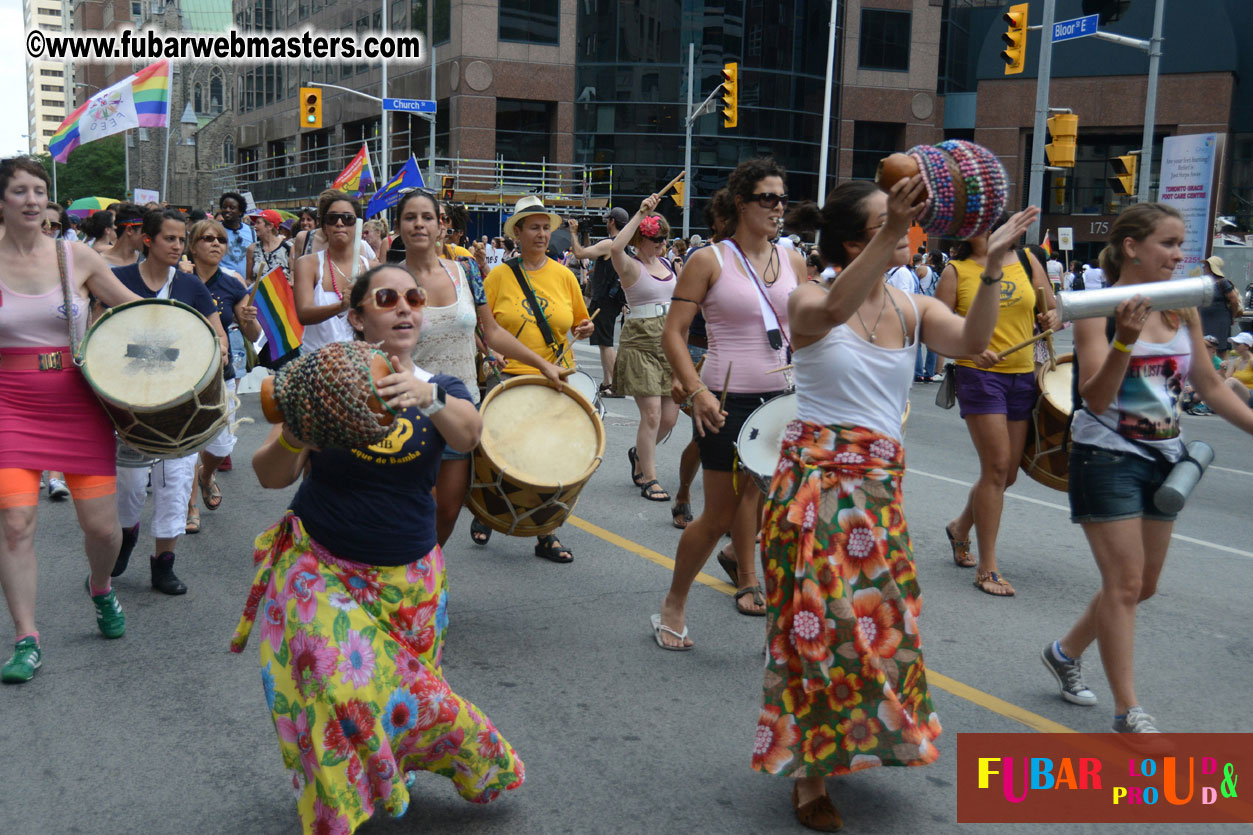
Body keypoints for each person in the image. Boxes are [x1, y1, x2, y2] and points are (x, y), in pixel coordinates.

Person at [754, 176, 1031, 831]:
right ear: (859, 238)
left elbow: (968, 341)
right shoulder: (809, 298)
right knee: (813, 636)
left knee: (879, 633)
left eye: (910, 220)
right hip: (811, 496)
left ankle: (850, 740)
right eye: (895, 219)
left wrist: (991, 267)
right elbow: (824, 317)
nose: (914, 227)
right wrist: (885, 236)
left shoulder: (910, 309)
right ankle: (808, 775)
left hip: (878, 496)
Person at [234, 264, 524, 832]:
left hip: (410, 575)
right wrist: (298, 434)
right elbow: (269, 475)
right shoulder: (320, 376)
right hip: (321, 566)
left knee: (406, 701)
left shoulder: (444, 386)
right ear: (358, 316)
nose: (404, 307)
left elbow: (469, 435)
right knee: (335, 684)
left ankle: (414, 767)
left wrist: (428, 394)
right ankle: (337, 813)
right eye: (386, 298)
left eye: (413, 298)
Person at [1042, 203, 1253, 734]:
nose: (1180, 254)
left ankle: (1065, 652)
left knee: (1143, 585)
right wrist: (1124, 341)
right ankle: (1128, 709)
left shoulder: (1183, 307)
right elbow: (1093, 396)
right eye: (1168, 243)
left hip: (1166, 457)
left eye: (1181, 243)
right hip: (1106, 456)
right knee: (1124, 581)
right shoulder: (1097, 308)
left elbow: (1208, 387)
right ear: (1132, 247)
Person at [0, 157, 142, 682]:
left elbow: (131, 309)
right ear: (2, 201)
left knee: (102, 530)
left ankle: (101, 588)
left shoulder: (74, 257)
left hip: (79, 403)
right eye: (20, 191)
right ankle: (25, 638)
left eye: (39, 190)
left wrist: (189, 339)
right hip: (8, 404)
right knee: (15, 523)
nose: (33, 199)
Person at [654, 157, 800, 641]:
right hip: (725, 400)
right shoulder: (709, 260)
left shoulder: (794, 260)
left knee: (776, 510)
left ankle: (757, 582)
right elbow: (672, 333)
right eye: (768, 199)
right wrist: (695, 391)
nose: (778, 208)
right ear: (742, 203)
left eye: (782, 198)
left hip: (784, 402)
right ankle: (674, 603)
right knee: (717, 514)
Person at [394, 189, 565, 547]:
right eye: (411, 217)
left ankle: (424, 579)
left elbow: (493, 331)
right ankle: (404, 579)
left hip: (462, 407)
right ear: (400, 226)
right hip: (408, 411)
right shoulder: (388, 281)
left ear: (443, 226)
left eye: (428, 217)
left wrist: (542, 365)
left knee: (448, 512)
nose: (420, 224)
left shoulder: (467, 270)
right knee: (413, 507)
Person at [935, 217, 1059, 597]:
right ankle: (987, 568)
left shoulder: (1026, 261)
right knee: (996, 467)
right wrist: (969, 346)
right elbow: (938, 331)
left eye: (991, 225)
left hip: (1024, 375)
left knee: (1007, 476)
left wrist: (1052, 316)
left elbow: (1052, 309)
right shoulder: (956, 271)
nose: (985, 233)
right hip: (978, 374)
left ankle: (960, 527)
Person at [109, 210, 229, 595]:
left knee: (175, 484)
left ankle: (164, 564)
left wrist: (219, 350)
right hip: (130, 407)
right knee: (128, 489)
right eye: (170, 239)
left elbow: (215, 337)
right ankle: (127, 536)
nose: (178, 246)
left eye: (181, 240)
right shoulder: (118, 280)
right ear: (148, 240)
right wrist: (170, 353)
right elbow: (105, 338)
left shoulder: (192, 285)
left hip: (180, 406)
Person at [476, 196, 594, 562]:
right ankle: (483, 510)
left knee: (550, 461)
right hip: (508, 378)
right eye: (534, 227)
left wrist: (585, 327)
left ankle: (547, 532)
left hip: (555, 381)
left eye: (546, 227)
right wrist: (487, 350)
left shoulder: (564, 276)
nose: (542, 234)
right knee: (499, 454)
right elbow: (484, 326)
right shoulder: (499, 275)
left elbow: (578, 321)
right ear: (518, 233)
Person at [183, 219, 260, 533]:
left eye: (221, 240)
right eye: (207, 238)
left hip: (221, 371)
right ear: (193, 245)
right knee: (188, 446)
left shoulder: (232, 283)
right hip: (184, 371)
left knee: (220, 446)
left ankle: (207, 475)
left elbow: (252, 333)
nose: (215, 244)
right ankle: (189, 507)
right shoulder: (178, 278)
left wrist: (249, 319)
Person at [669, 191, 736, 531]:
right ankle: (683, 491)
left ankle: (735, 518)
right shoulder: (703, 257)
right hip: (700, 350)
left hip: (750, 367)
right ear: (718, 221)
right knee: (702, 439)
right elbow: (676, 323)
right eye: (730, 217)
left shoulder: (766, 259)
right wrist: (681, 373)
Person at [610, 193, 680, 502]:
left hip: (669, 340)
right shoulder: (629, 266)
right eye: (656, 238)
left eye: (665, 238)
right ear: (642, 239)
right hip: (640, 340)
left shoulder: (667, 263)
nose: (662, 243)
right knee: (651, 414)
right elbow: (615, 246)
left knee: (669, 417)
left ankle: (639, 455)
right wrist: (640, 213)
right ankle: (650, 478)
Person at [293, 192, 376, 355]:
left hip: (360, 364)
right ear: (324, 226)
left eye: (348, 218)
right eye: (332, 218)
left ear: (357, 225)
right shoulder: (307, 264)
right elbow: (303, 313)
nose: (339, 223)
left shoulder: (372, 269)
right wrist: (340, 306)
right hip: (316, 364)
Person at [570, 207, 630, 398]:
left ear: (612, 221)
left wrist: (573, 232)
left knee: (606, 342)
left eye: (607, 220)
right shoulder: (623, 244)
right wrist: (584, 234)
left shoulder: (609, 243)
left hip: (604, 298)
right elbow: (591, 253)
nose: (605, 223)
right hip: (611, 298)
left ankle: (615, 384)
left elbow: (579, 253)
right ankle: (607, 381)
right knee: (604, 342)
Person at [1199, 255, 1244, 344]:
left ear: (1212, 268)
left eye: (1206, 265)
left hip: (1220, 321)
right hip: (1204, 320)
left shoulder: (1222, 282)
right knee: (1205, 346)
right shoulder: (1204, 282)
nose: (1203, 268)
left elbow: (1234, 300)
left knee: (1219, 347)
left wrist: (1232, 316)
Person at [244, 208, 293, 287]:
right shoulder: (252, 249)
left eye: (258, 223)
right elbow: (248, 279)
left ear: (270, 226)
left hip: (282, 297)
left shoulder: (288, 247)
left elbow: (293, 274)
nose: (254, 226)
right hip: (261, 297)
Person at [912, 252, 939, 382]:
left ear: (931, 258)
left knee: (916, 341)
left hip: (921, 305)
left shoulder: (922, 269)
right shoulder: (939, 270)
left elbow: (914, 281)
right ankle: (930, 372)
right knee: (931, 342)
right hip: (932, 307)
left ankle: (918, 373)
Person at [218, 192, 256, 276]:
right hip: (223, 282)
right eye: (224, 207)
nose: (227, 210)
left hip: (245, 284)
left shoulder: (251, 231)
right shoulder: (215, 230)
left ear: (240, 212)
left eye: (232, 208)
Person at [101, 203, 146, 268]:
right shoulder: (97, 263)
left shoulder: (146, 262)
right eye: (145, 231)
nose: (149, 237)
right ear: (129, 230)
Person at [1222, 331, 1253, 405]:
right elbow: (1225, 380)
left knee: (1232, 380)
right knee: (1218, 377)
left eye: (1238, 344)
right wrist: (1222, 370)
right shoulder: (1235, 361)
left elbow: (1230, 381)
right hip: (1239, 394)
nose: (1234, 346)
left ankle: (1210, 405)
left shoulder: (1252, 361)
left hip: (1250, 395)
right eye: (1234, 344)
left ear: (1247, 346)